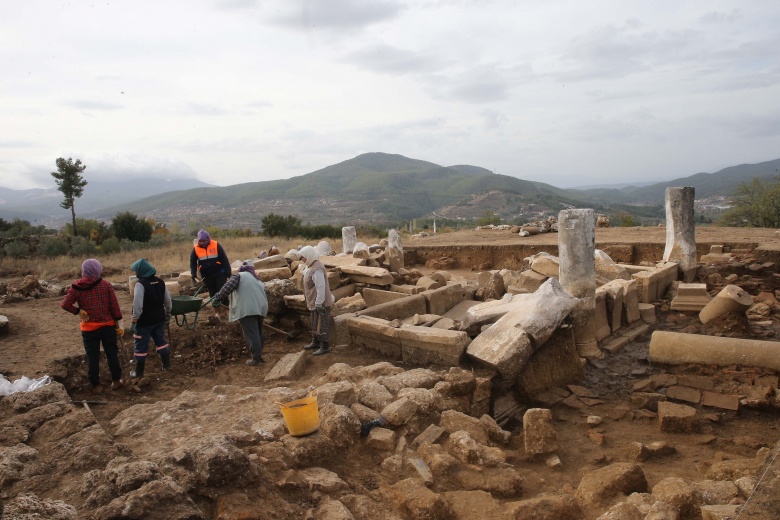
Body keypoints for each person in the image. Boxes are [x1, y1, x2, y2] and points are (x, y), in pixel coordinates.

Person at [61, 259, 124, 394]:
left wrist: (78, 311)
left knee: (92, 357)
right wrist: (120, 323)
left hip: (88, 329)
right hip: (107, 326)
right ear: (98, 269)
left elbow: (65, 304)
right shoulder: (106, 285)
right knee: (112, 354)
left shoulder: (76, 287)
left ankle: (96, 386)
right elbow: (114, 307)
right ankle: (116, 381)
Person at [212, 262, 269, 365]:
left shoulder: (239, 276)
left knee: (252, 334)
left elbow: (227, 288)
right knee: (258, 332)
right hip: (261, 308)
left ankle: (256, 359)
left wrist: (217, 297)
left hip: (248, 309)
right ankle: (259, 355)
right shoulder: (257, 279)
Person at [129, 259, 172, 379]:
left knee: (140, 345)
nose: (135, 274)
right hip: (159, 318)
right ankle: (166, 366)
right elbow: (168, 301)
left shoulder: (140, 284)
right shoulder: (160, 282)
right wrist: (168, 313)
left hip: (144, 321)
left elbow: (138, 306)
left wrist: (134, 321)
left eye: (136, 271)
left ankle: (139, 373)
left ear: (141, 271)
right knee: (161, 341)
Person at [298, 245, 335, 356]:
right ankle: (315, 342)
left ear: (309, 256)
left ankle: (324, 346)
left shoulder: (317, 268)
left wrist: (319, 303)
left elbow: (320, 287)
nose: (302, 260)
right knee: (314, 322)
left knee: (322, 323)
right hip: (314, 301)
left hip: (320, 302)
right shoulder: (310, 266)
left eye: (303, 257)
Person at [190, 229, 230, 307]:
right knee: (212, 292)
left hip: (219, 272)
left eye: (204, 241)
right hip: (206, 274)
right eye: (200, 241)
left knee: (222, 290)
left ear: (208, 239)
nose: (202, 243)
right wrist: (193, 273)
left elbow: (224, 259)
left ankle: (226, 308)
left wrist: (228, 272)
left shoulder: (216, 245)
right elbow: (193, 262)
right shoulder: (196, 248)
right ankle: (216, 310)